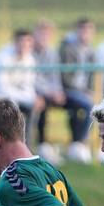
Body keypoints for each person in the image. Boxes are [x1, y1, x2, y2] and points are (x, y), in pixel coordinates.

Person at [60, 17, 96, 162]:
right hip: (68, 90)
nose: (85, 34)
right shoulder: (68, 48)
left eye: (88, 31)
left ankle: (78, 144)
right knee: (90, 106)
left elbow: (93, 76)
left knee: (92, 104)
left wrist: (90, 90)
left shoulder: (91, 51)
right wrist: (83, 91)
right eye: (83, 30)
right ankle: (81, 144)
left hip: (84, 91)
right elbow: (65, 77)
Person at [33, 19, 68, 164]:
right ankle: (42, 144)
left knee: (81, 103)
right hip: (33, 91)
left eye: (47, 35)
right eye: (41, 34)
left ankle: (77, 145)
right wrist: (49, 92)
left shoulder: (52, 53)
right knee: (41, 104)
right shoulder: (29, 51)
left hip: (50, 92)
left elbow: (55, 76)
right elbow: (32, 78)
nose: (43, 38)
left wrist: (58, 92)